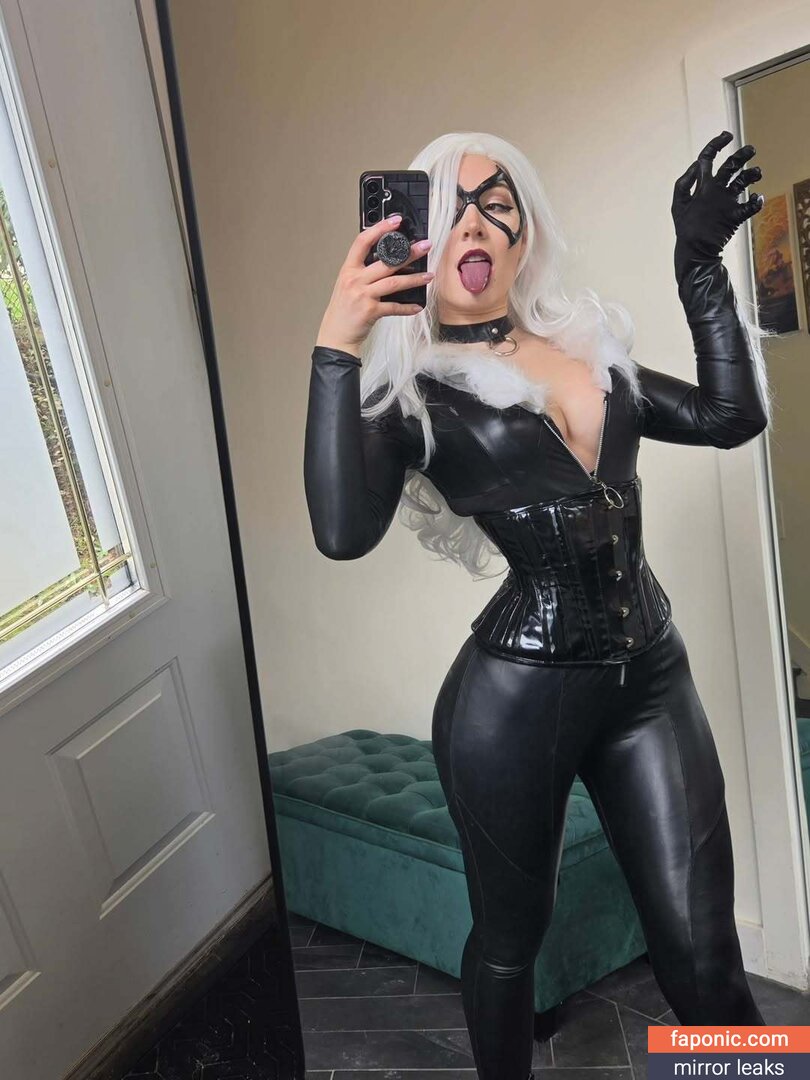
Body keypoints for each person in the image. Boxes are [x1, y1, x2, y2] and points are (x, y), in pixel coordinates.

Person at [303, 131, 772, 1079]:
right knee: (511, 942)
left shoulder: (586, 348)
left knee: (705, 956)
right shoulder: (412, 396)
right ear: (416, 241)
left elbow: (732, 417)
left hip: (652, 680)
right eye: (450, 208)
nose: (475, 222)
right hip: (512, 705)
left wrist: (698, 267)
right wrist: (335, 347)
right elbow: (341, 533)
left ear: (524, 234)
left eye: (496, 203)